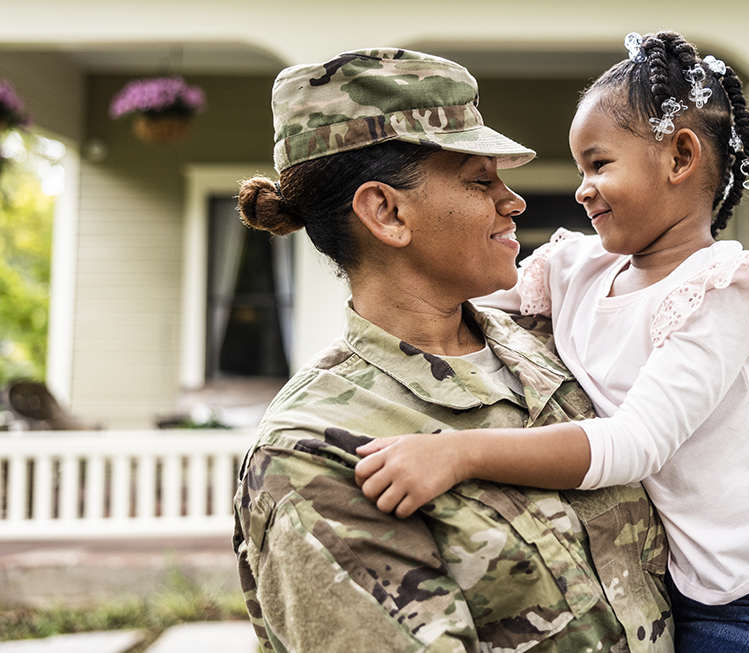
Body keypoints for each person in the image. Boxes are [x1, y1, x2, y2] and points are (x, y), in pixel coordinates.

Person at [354, 31, 749, 653]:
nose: (582, 189)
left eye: (599, 165)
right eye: (581, 169)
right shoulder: (578, 268)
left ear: (680, 158)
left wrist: (458, 454)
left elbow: (634, 445)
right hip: (667, 581)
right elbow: (459, 303)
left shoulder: (721, 290)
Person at [231, 47, 673, 653]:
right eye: (479, 181)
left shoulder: (560, 346)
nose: (513, 201)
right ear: (386, 212)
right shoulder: (314, 455)